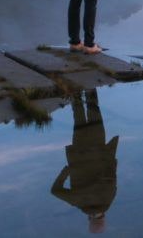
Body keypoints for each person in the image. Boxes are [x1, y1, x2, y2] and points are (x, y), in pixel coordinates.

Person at [51, 89, 119, 234]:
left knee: (93, 108)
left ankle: (90, 85)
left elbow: (112, 171)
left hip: (98, 147)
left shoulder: (109, 196)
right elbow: (55, 190)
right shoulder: (77, 201)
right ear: (90, 219)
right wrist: (68, 170)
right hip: (79, 152)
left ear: (103, 217)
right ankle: (74, 86)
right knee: (78, 113)